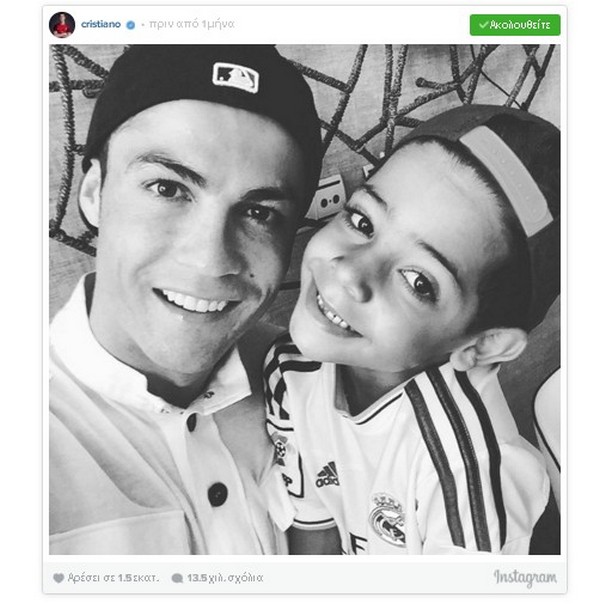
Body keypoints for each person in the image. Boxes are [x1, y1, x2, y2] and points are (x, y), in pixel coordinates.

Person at [49, 45, 322, 554]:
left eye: (259, 213)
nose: (209, 260)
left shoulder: (315, 385)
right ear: (93, 193)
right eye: (168, 189)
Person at [264, 105, 560, 555]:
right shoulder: (290, 369)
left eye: (419, 282)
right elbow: (314, 533)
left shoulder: (471, 477)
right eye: (362, 221)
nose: (350, 272)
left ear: (483, 344)